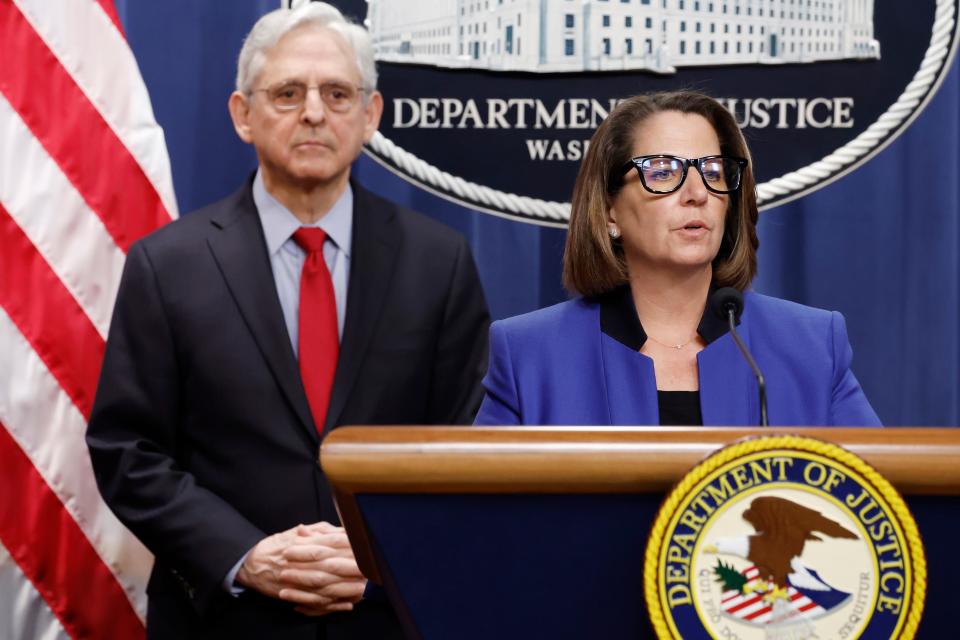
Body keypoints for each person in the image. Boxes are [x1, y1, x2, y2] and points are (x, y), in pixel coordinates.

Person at [86, 4, 489, 638]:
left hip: (389, 615)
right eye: (287, 92)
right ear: (243, 115)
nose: (313, 112)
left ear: (370, 115)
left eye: (336, 93)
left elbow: (465, 443)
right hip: (223, 619)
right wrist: (245, 556)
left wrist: (380, 556)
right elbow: (128, 451)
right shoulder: (168, 264)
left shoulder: (439, 261)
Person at [474, 91, 879, 427]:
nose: (697, 192)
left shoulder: (811, 345)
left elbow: (875, 500)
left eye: (714, 171)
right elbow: (483, 518)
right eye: (664, 171)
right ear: (610, 211)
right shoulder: (529, 354)